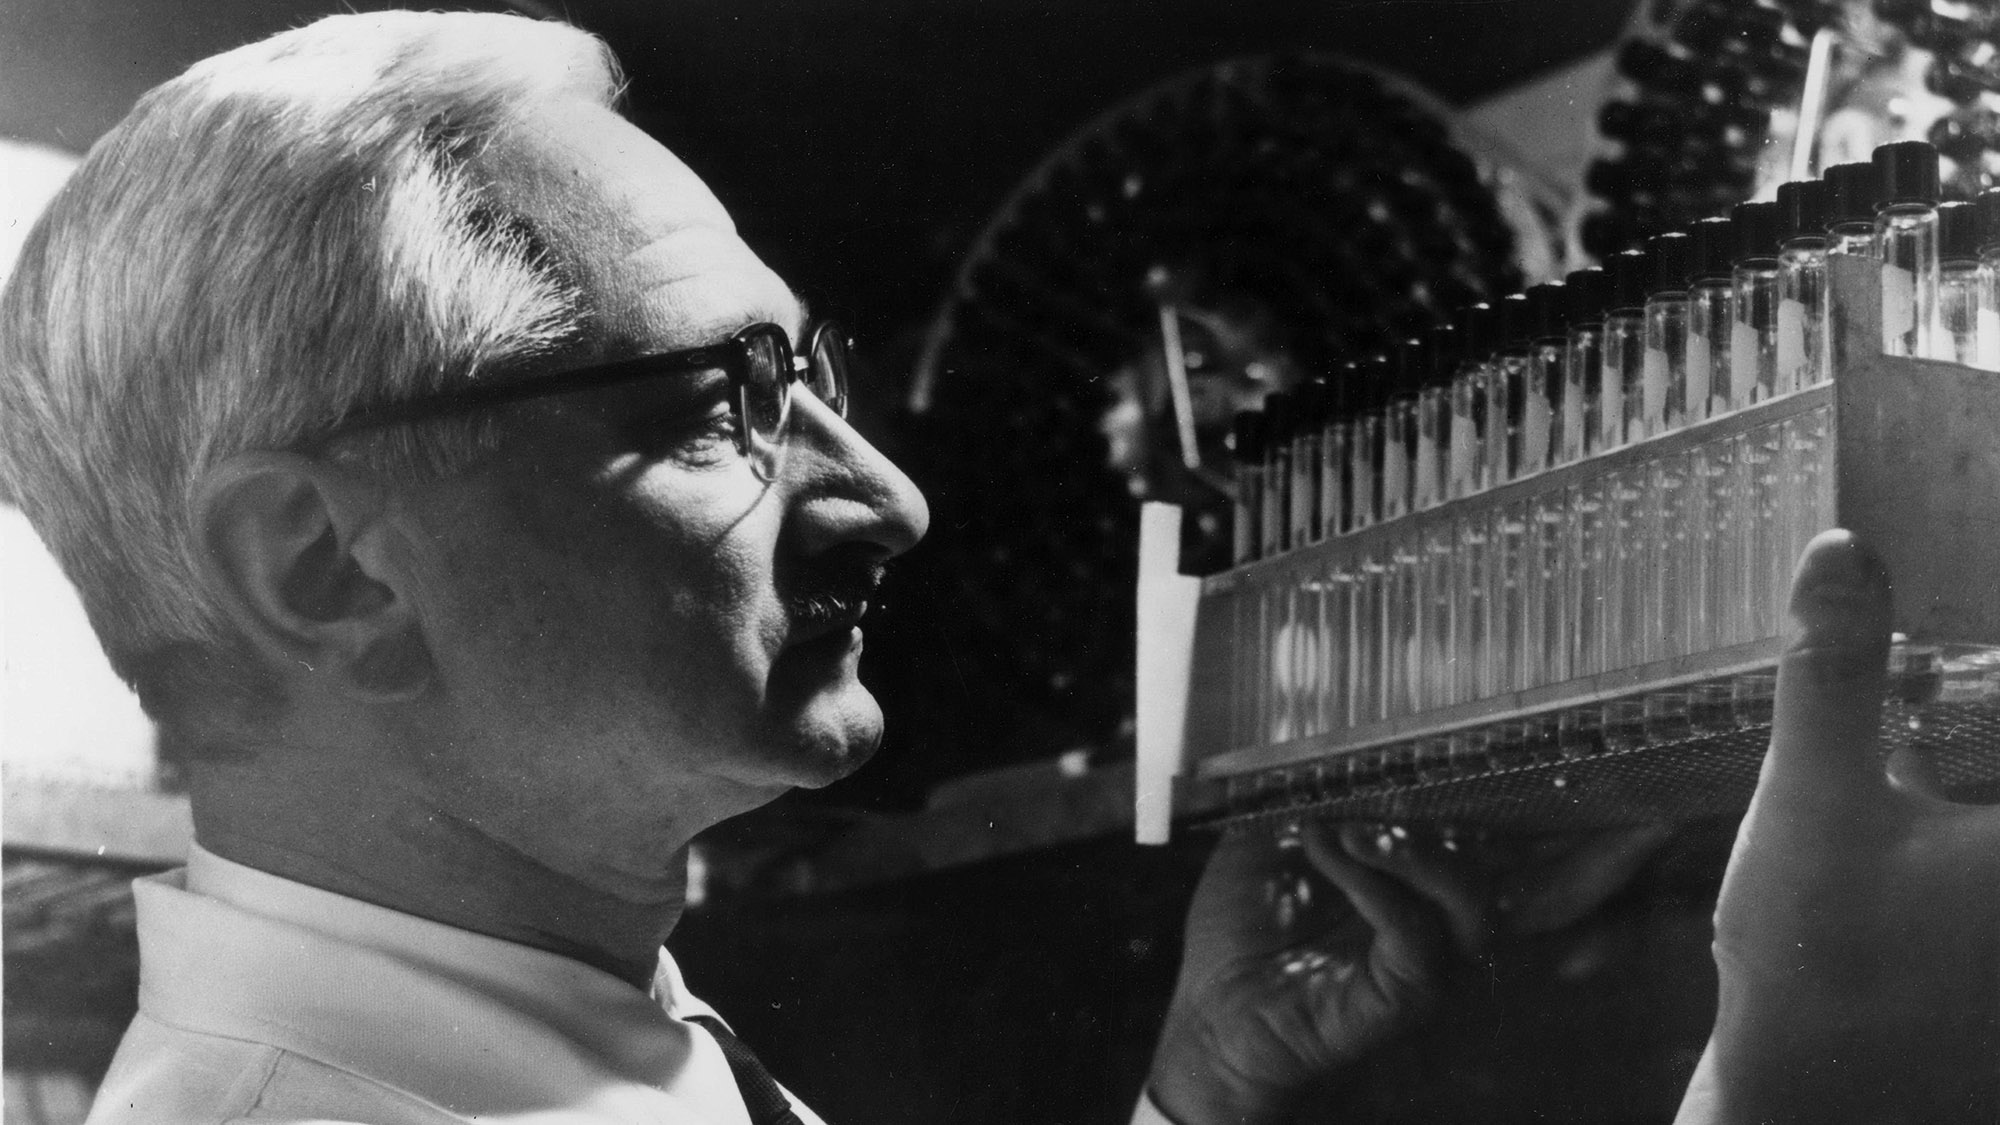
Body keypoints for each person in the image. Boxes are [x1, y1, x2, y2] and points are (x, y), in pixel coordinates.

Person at [0, 11, 1991, 1125]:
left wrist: (1197, 1107)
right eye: (723, 407)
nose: (887, 494)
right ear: (322, 563)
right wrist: (1821, 1084)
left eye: (823, 382)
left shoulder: (551, 1040)